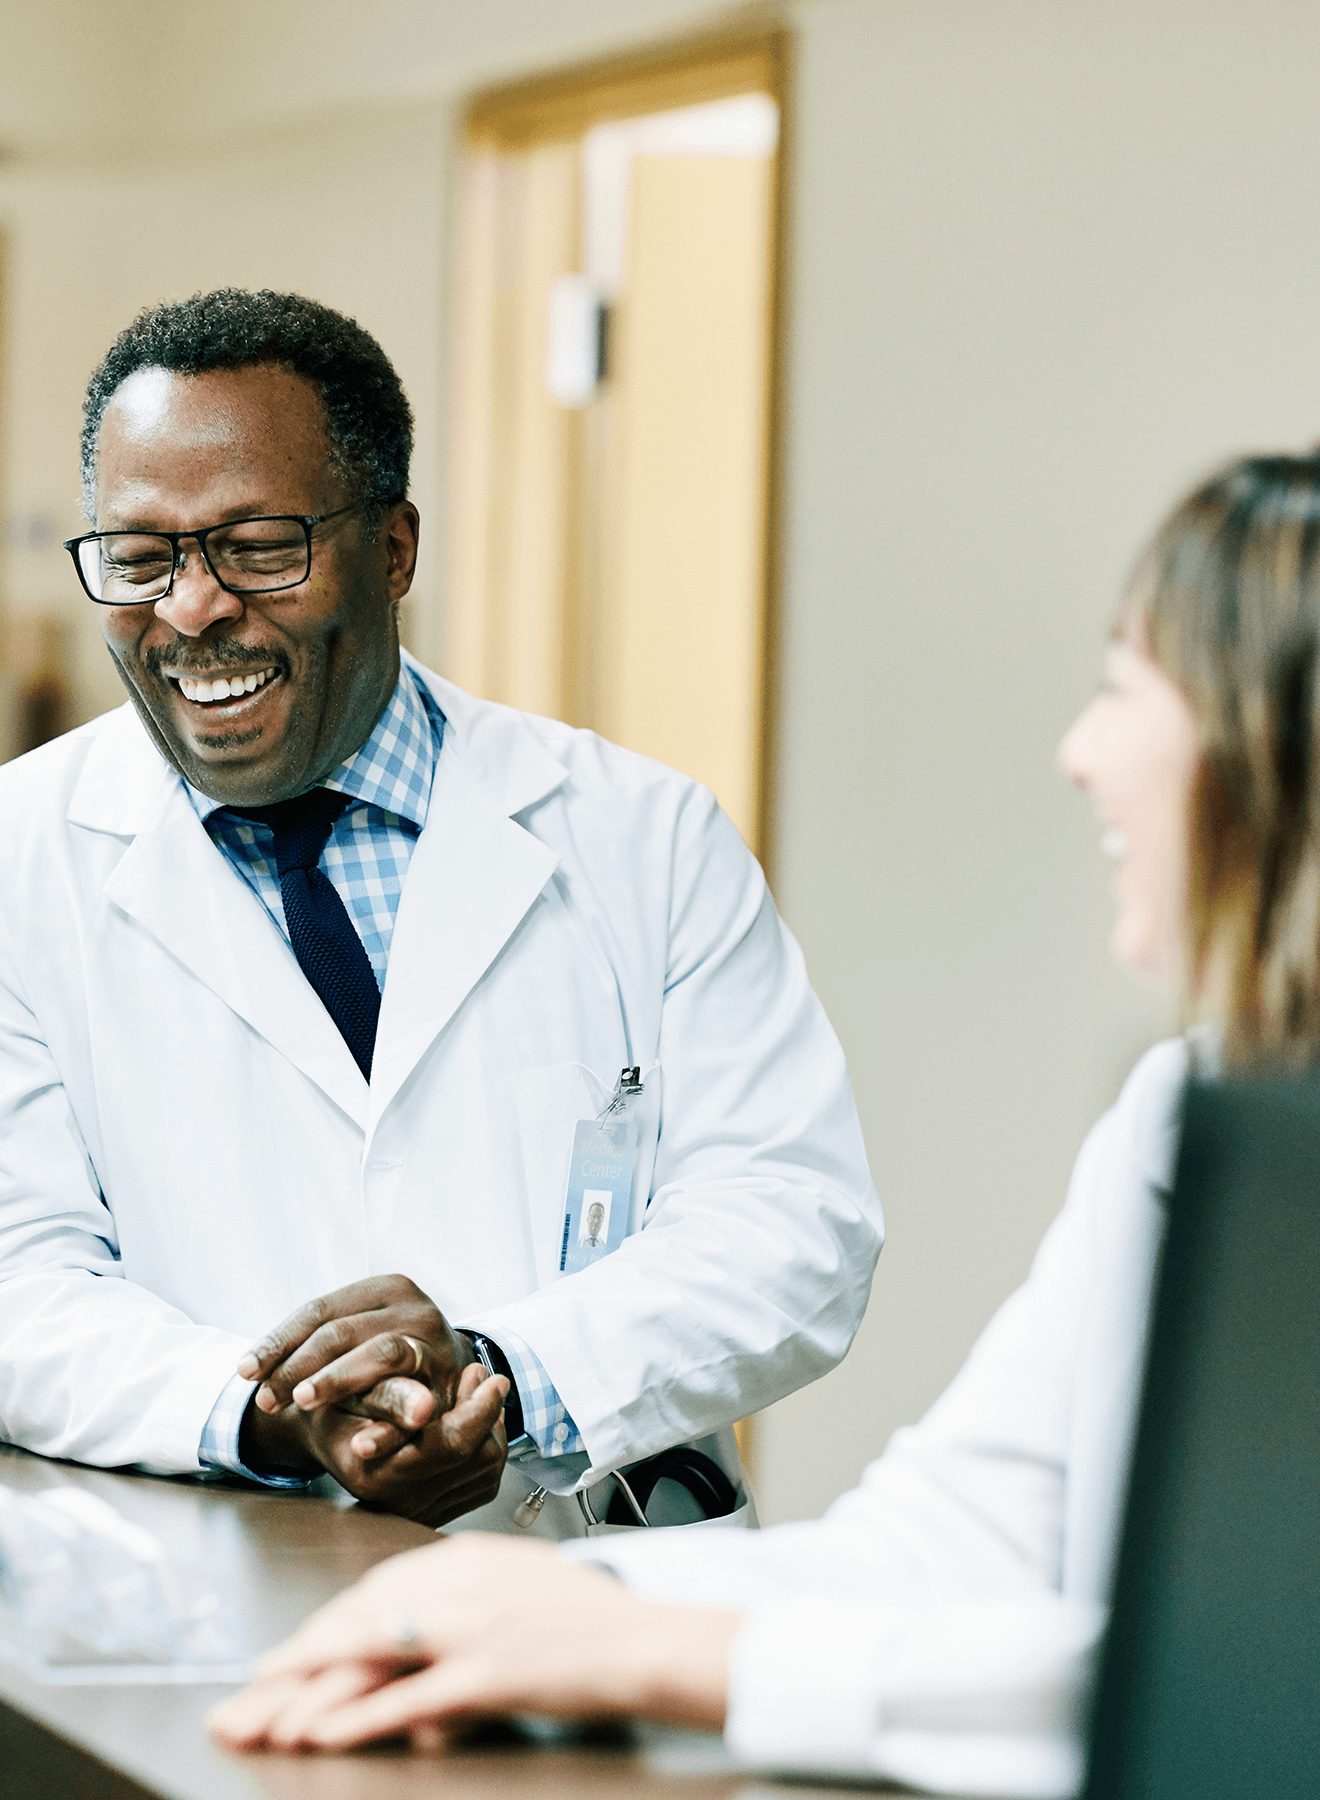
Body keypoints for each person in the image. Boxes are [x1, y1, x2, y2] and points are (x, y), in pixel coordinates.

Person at [210, 448, 1320, 1795]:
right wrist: (541, 1604)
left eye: (1129, 686)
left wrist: (649, 1656)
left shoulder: (648, 836)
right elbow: (954, 1537)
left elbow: (1239, 1667)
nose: (1078, 753)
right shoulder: (1192, 1109)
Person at [0, 289, 882, 1538]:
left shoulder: (641, 836)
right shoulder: (17, 863)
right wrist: (269, 1411)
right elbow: (17, 1282)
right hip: (213, 1601)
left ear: (396, 549)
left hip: (590, 1592)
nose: (191, 609)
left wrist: (498, 1374)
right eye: (142, 559)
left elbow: (796, 1223)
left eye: (258, 546)